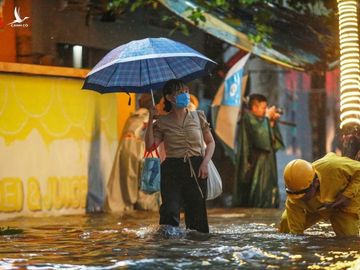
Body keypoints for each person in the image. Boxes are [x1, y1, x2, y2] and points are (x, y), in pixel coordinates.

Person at [145, 79, 215, 233]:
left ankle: (195, 248)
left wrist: (205, 163)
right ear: (169, 97)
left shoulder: (198, 116)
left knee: (197, 215)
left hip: (197, 168)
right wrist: (151, 119)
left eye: (186, 91)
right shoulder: (162, 122)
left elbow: (210, 142)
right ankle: (169, 247)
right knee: (169, 210)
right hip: (172, 169)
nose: (185, 95)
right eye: (180, 92)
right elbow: (150, 146)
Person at [279, 153, 360, 236]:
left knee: (348, 239)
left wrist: (347, 195)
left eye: (304, 194)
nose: (300, 198)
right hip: (316, 207)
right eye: (296, 194)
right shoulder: (294, 197)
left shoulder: (334, 166)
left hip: (345, 203)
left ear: (316, 182)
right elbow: (296, 234)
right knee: (287, 223)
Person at [233, 93, 284, 208]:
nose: (265, 110)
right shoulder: (248, 118)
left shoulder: (262, 119)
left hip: (268, 161)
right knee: (257, 197)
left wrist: (271, 123)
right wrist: (266, 119)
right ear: (254, 107)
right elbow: (262, 140)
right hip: (256, 163)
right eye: (263, 108)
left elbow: (273, 143)